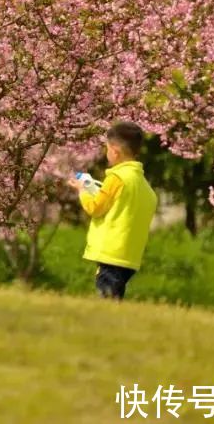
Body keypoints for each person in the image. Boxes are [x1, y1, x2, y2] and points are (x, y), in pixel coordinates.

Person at [66, 121, 158, 300]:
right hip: (130, 257)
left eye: (106, 148)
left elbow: (95, 207)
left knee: (106, 301)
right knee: (115, 298)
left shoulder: (117, 177)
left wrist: (82, 191)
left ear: (115, 150)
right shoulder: (145, 187)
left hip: (111, 254)